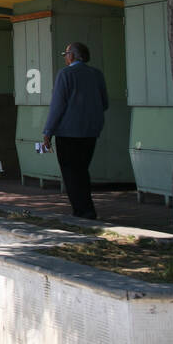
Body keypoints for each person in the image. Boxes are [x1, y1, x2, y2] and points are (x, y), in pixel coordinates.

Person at [42, 41, 110, 220]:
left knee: (70, 172)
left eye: (65, 54)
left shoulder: (65, 74)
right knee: (82, 169)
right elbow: (104, 103)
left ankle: (82, 210)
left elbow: (58, 105)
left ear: (71, 55)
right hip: (91, 130)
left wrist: (48, 131)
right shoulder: (96, 74)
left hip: (68, 131)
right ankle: (86, 208)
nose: (65, 57)